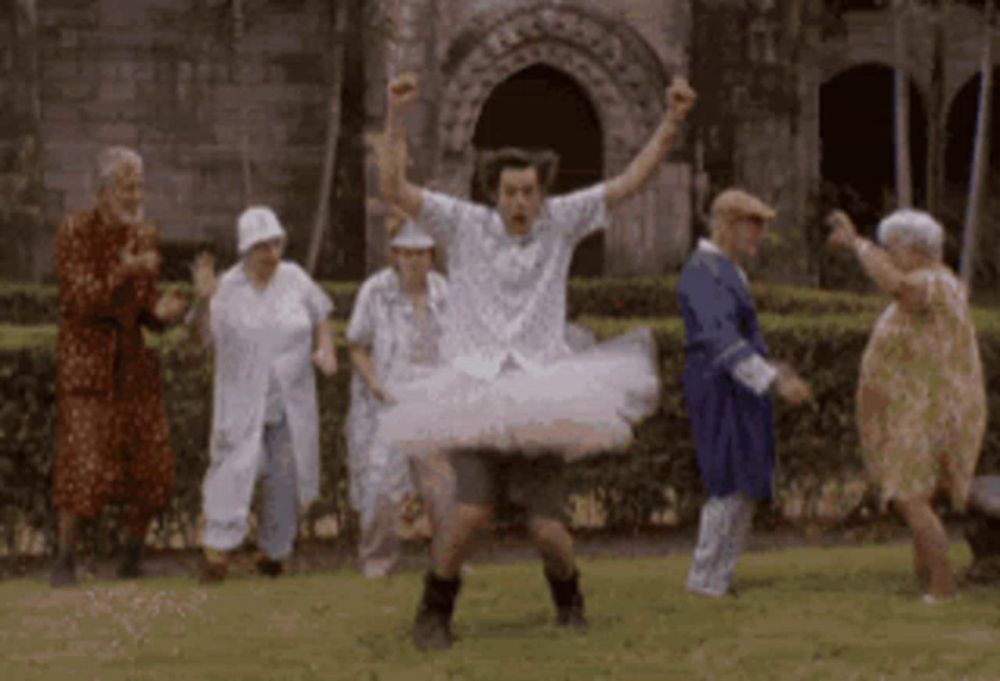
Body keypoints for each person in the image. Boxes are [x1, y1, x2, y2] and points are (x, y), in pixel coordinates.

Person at [378, 71, 696, 650]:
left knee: (547, 529)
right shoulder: (463, 223)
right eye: (509, 192)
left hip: (542, 391)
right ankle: (434, 613)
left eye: (528, 191)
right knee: (468, 515)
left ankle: (569, 599)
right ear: (493, 192)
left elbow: (630, 183)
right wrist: (396, 116)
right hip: (474, 391)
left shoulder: (562, 221)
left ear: (540, 193)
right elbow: (394, 188)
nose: (519, 202)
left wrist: (671, 121)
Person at [827, 208, 986, 603]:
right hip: (917, 408)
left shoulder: (931, 283)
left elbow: (896, 285)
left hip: (926, 411)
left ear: (914, 248)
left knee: (908, 495)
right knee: (915, 494)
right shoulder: (934, 281)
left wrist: (856, 244)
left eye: (891, 247)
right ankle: (927, 577)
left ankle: (942, 588)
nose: (888, 254)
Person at [50, 146, 188, 587]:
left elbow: (142, 304)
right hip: (87, 365)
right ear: (104, 190)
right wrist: (124, 271)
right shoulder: (75, 231)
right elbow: (79, 298)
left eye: (138, 186)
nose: (134, 195)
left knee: (153, 462)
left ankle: (131, 555)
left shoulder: (144, 235)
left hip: (132, 364)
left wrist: (162, 311)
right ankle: (64, 559)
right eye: (127, 186)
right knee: (83, 464)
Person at [188, 206, 337, 583]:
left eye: (275, 244)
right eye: (261, 247)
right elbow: (200, 340)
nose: (271, 254)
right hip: (242, 400)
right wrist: (203, 301)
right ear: (245, 250)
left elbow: (322, 313)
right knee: (234, 469)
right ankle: (216, 551)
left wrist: (326, 347)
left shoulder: (295, 278)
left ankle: (274, 553)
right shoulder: (227, 288)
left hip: (289, 398)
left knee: (285, 474)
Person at [677, 188, 813, 599]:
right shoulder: (703, 272)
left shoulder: (727, 270)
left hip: (738, 385)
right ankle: (705, 580)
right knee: (727, 481)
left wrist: (773, 370)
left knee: (746, 480)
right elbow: (720, 340)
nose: (757, 236)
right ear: (725, 225)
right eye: (750, 226)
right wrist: (776, 381)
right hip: (720, 386)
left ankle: (720, 576)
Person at [346, 217, 454, 578]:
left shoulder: (445, 292)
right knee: (380, 490)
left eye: (421, 253)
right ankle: (378, 562)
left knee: (444, 492)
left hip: (435, 404)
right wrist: (374, 383)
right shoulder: (374, 291)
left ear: (432, 255)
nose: (414, 261)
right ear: (395, 255)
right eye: (407, 253)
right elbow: (357, 345)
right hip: (387, 404)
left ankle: (449, 562)